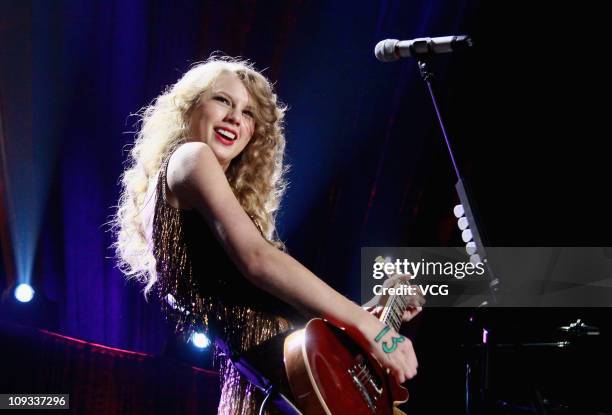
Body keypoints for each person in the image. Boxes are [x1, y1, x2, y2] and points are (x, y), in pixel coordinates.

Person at [113, 56, 420, 414]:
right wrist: (367, 324)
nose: (235, 118)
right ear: (189, 107)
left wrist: (374, 313)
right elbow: (257, 259)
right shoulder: (190, 157)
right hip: (277, 380)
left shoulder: (210, 200)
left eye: (248, 113)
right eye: (223, 101)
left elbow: (262, 304)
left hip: (275, 383)